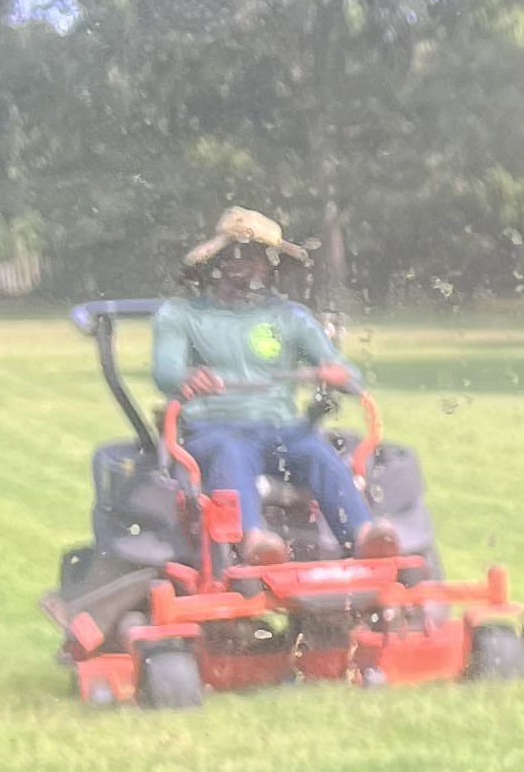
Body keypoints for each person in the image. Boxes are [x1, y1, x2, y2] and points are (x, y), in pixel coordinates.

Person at [150, 207, 379, 556]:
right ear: (220, 261)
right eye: (241, 255)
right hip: (213, 429)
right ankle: (253, 541)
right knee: (232, 453)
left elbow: (349, 375)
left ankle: (365, 537)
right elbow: (165, 372)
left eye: (260, 257)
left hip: (284, 430)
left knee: (319, 453)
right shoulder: (182, 315)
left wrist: (339, 375)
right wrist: (188, 377)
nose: (252, 265)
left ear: (272, 265)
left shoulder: (291, 318)